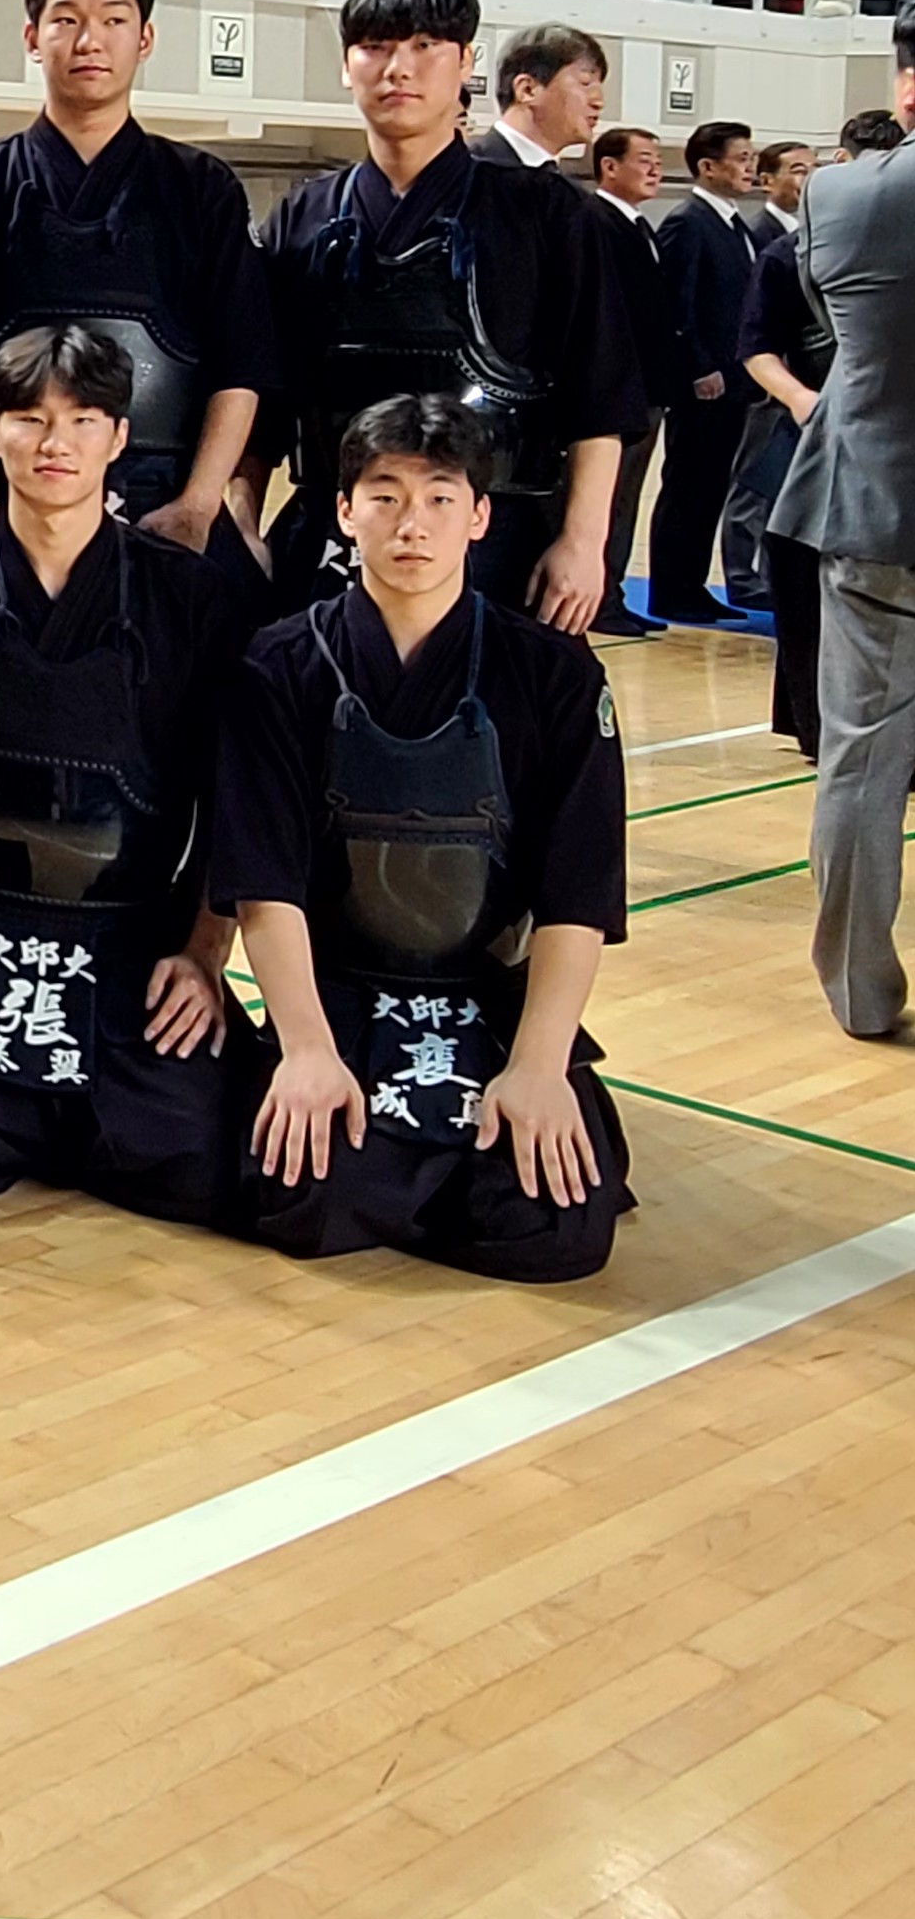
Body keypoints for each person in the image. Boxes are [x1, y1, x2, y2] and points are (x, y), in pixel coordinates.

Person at [215, 394, 630, 1283]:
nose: (413, 525)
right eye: (386, 496)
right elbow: (264, 882)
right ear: (344, 511)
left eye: (441, 498)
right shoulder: (279, 664)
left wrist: (540, 1066)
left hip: (487, 999)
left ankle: (437, 1161)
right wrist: (306, 1049)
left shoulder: (554, 672)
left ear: (480, 517)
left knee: (555, 1231)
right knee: (303, 1202)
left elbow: (578, 891)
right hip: (341, 998)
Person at [0, 323, 255, 1227]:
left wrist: (204, 950)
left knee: (209, 1163)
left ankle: (70, 1118)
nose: (55, 443)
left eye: (82, 420)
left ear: (120, 437)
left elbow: (235, 793)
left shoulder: (190, 596)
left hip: (133, 929)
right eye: (30, 419)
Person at [251, 0, 637, 629]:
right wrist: (243, 517)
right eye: (375, 47)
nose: (398, 68)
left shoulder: (545, 211)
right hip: (331, 529)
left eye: (425, 46)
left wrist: (583, 542)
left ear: (466, 63)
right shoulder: (304, 216)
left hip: (498, 530)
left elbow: (599, 393)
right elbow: (264, 394)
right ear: (347, 66)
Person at [0, 0, 277, 560]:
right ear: (32, 38)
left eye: (113, 20)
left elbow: (243, 365)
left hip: (166, 505)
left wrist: (198, 505)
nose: (89, 40)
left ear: (145, 38)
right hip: (0, 500)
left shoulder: (202, 190)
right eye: (66, 19)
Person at [769, 31, 915, 1039]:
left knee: (860, 764)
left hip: (873, 499)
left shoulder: (838, 194)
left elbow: (832, 318)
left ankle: (861, 994)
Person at [738, 131, 889, 765]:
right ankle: (816, 726)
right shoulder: (787, 256)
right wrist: (803, 400)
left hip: (883, 442)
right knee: (804, 585)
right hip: (811, 440)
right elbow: (756, 347)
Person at [647, 121, 763, 625]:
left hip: (734, 380)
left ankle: (691, 583)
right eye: (741, 158)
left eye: (751, 158)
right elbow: (678, 304)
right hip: (706, 382)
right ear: (708, 166)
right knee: (687, 486)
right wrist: (698, 367)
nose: (749, 168)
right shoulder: (689, 223)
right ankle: (671, 589)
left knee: (711, 485)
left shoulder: (734, 224)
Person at [585, 125, 689, 642]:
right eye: (644, 159)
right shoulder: (598, 222)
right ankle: (599, 595)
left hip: (648, 388)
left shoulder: (638, 224)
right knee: (609, 498)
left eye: (657, 160)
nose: (655, 169)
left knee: (627, 497)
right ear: (609, 167)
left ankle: (614, 590)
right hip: (621, 389)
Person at [718, 142, 820, 612]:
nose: (807, 179)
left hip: (798, 381)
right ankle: (742, 575)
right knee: (755, 482)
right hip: (770, 381)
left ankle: (765, 574)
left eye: (812, 169)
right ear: (768, 180)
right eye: (797, 170)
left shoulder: (813, 236)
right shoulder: (767, 239)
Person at [473, 24, 605, 172]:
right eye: (585, 83)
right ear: (527, 90)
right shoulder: (467, 174)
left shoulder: (561, 181)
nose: (599, 102)